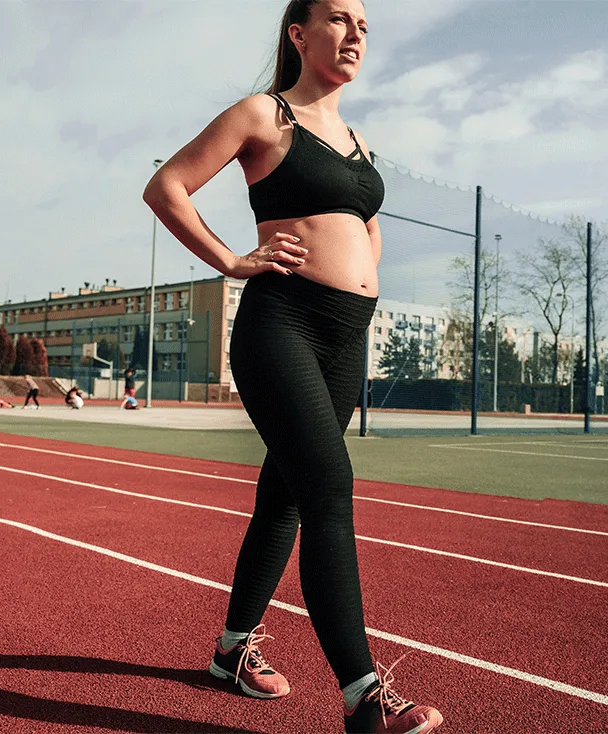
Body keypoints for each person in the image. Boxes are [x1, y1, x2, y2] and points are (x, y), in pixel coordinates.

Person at [142, 3, 441, 732]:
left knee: (288, 496)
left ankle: (231, 651)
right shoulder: (263, 116)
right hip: (283, 324)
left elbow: (365, 230)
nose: (356, 32)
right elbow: (166, 188)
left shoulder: (359, 141)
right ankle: (364, 698)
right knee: (330, 482)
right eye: (339, 18)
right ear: (299, 35)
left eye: (365, 23)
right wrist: (233, 262)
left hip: (346, 335)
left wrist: (361, 282)